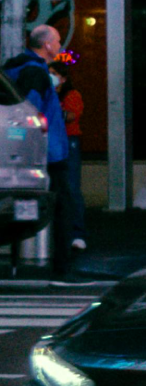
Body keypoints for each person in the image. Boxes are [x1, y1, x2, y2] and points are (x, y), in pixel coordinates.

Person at [7, 26, 72, 273]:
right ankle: (63, 268)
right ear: (46, 45)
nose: (59, 46)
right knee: (63, 205)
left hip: (21, 151)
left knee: (20, 206)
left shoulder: (14, 67)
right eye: (56, 41)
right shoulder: (36, 72)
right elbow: (29, 113)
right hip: (48, 153)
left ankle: (17, 262)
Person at [56, 64, 85, 254]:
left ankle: (78, 233)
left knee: (72, 187)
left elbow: (73, 115)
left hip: (68, 140)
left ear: (64, 78)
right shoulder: (49, 94)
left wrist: (55, 113)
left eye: (54, 74)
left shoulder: (72, 95)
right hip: (56, 140)